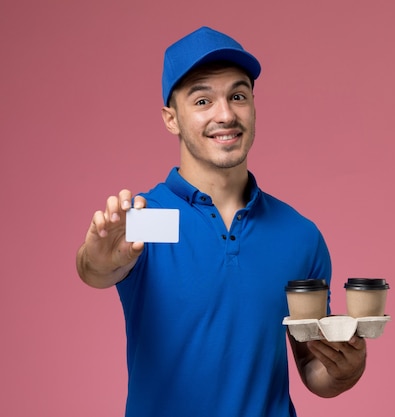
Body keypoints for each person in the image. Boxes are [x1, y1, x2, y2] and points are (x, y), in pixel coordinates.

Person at [76, 26, 367, 416]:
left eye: (238, 96)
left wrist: (345, 369)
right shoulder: (143, 221)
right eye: (202, 100)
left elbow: (313, 367)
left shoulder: (300, 235)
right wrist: (94, 259)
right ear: (171, 118)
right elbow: (97, 269)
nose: (226, 114)